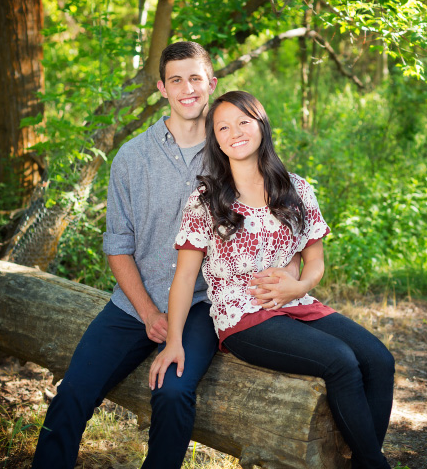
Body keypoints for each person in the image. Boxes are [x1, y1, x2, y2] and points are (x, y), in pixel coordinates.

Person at [149, 91, 396, 469]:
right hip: (241, 315)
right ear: (215, 139)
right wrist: (175, 342)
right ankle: (374, 464)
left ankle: (361, 461)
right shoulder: (206, 199)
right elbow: (183, 278)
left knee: (379, 359)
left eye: (244, 122)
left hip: (295, 303)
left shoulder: (296, 188)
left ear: (261, 125)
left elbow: (315, 261)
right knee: (341, 361)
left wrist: (298, 287)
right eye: (223, 127)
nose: (235, 132)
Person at [33, 41, 225, 469]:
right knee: (73, 393)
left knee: (173, 394)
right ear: (162, 87)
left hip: (200, 305)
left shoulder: (230, 151)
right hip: (133, 302)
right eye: (176, 80)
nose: (187, 88)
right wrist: (148, 313)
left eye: (196, 78)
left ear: (211, 83)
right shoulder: (132, 157)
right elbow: (118, 245)